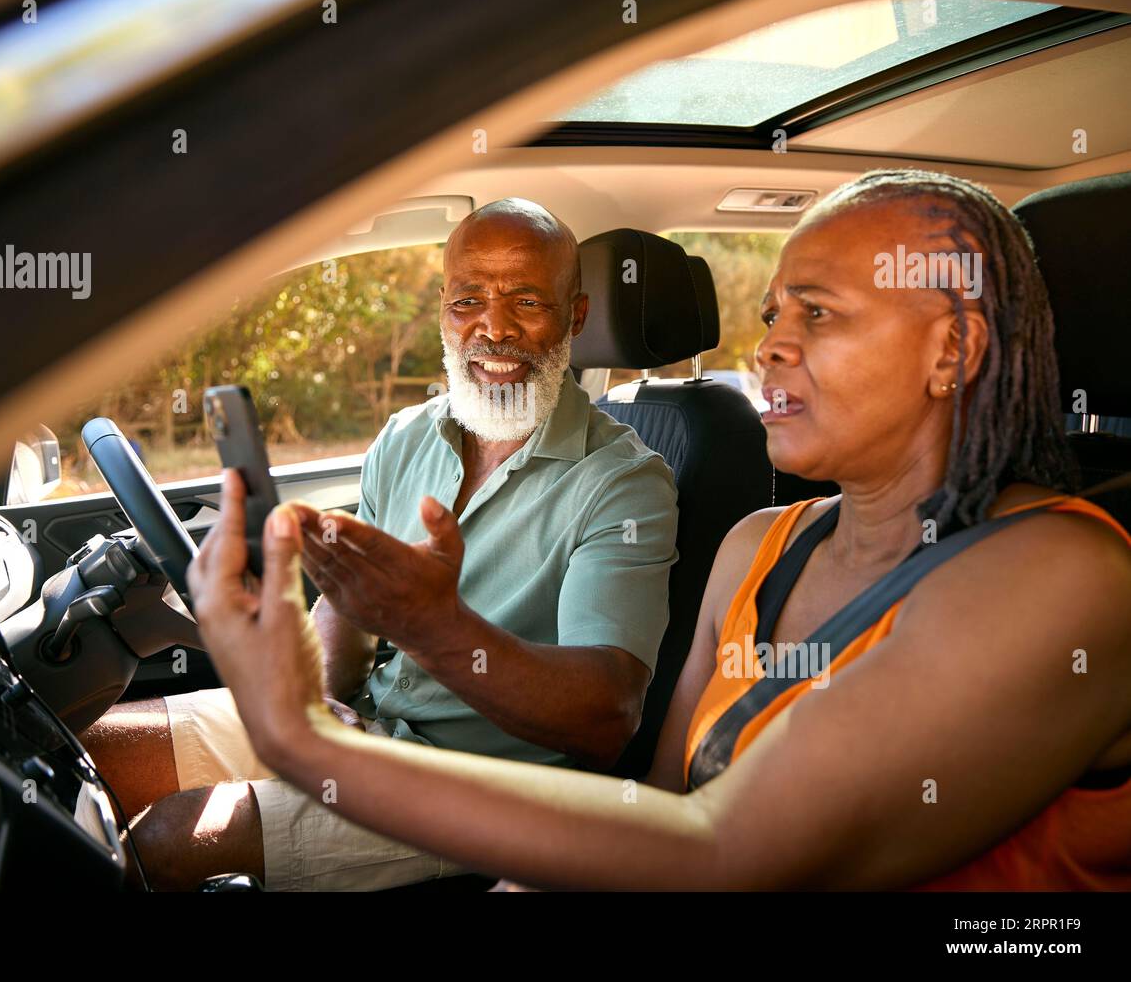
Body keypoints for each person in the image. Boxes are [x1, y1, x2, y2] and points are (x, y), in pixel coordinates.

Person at [189, 170, 1131, 891]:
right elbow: (665, 800)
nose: (768, 345)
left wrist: (301, 735)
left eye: (819, 312)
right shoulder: (759, 543)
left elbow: (723, 849)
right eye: (771, 313)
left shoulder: (1065, 574)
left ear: (953, 349)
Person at [84, 198, 679, 889]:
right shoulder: (404, 437)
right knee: (97, 753)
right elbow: (344, 606)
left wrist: (433, 625)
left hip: (488, 791)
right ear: (443, 312)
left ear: (574, 315)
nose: (494, 327)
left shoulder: (625, 482)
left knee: (169, 838)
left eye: (526, 300)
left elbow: (606, 716)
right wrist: (320, 695)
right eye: (468, 301)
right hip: (363, 726)